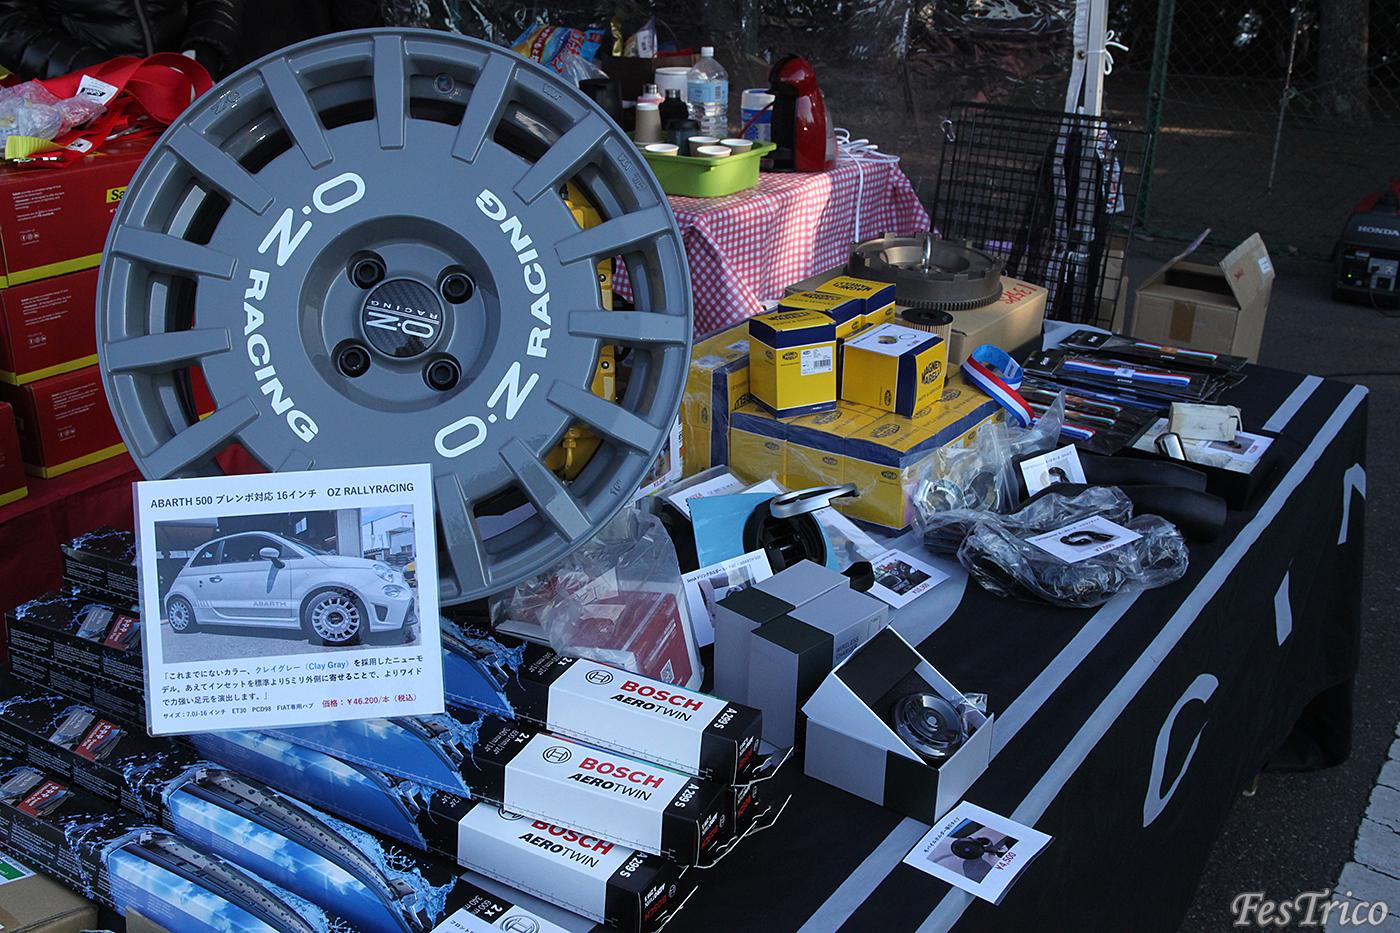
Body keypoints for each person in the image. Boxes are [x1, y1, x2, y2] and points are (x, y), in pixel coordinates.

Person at [0, 0, 246, 81]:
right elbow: (7, 24)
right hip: (82, 105)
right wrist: (107, 74)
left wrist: (205, 50)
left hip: (190, 86)